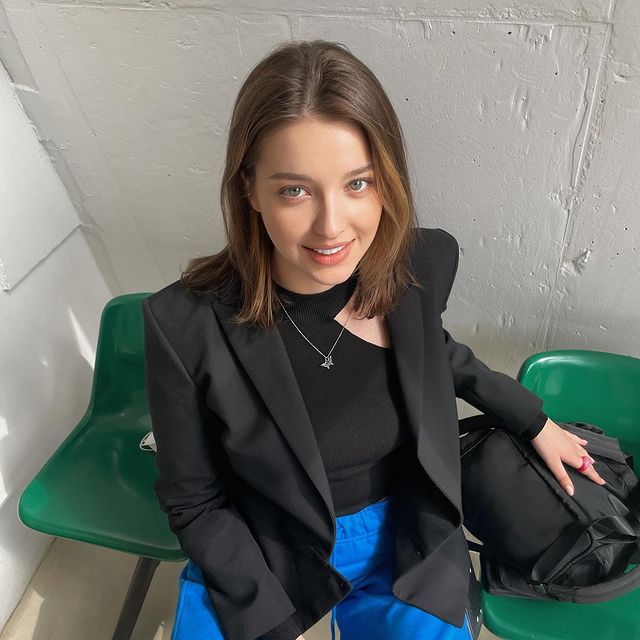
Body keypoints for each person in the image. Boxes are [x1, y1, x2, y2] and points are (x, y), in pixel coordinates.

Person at [142, 39, 606, 640]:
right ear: (248, 189)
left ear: (386, 181)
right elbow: (194, 502)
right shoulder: (184, 323)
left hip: (404, 536)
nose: (332, 226)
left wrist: (534, 421)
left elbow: (438, 353)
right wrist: (269, 620)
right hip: (264, 543)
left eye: (357, 184)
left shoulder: (418, 265)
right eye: (294, 190)